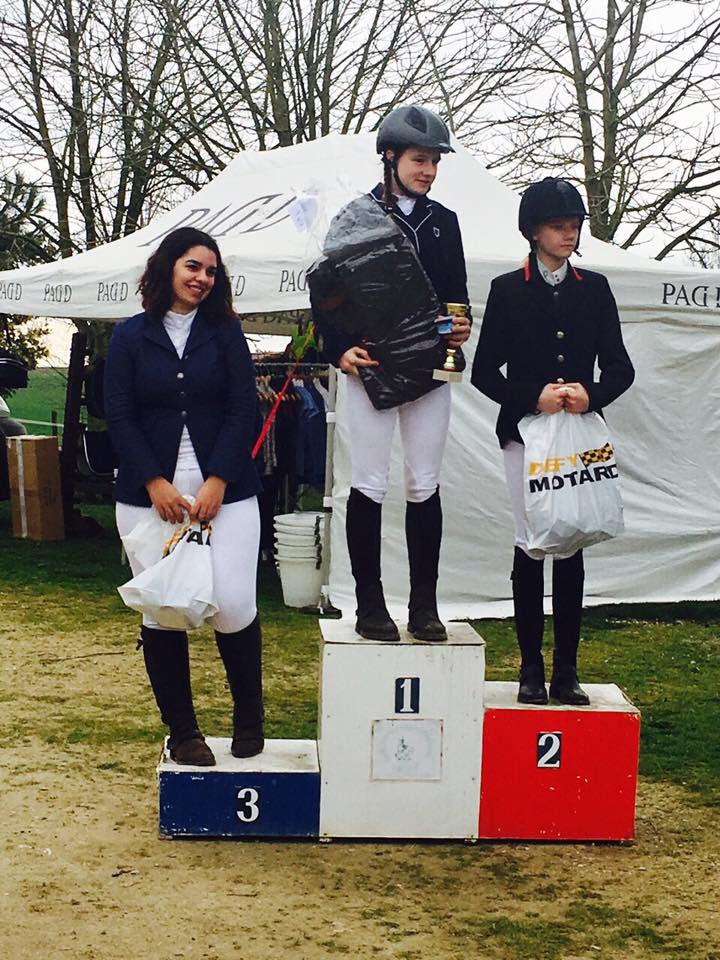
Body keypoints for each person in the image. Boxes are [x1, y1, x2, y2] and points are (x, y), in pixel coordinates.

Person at [471, 177, 634, 704]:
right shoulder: (507, 289)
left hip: (579, 432)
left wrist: (592, 394)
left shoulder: (596, 288)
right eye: (558, 226)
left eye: (574, 226)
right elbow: (483, 372)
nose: (569, 235)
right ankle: (530, 667)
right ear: (534, 232)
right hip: (525, 434)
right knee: (531, 542)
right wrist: (531, 396)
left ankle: (567, 668)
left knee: (573, 541)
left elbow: (621, 368)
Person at [105, 227, 264, 765]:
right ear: (169, 266)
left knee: (234, 605)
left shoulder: (226, 333)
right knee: (163, 607)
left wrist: (218, 479)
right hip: (148, 496)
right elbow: (119, 414)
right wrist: (155, 481)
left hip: (227, 492)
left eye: (211, 271)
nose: (202, 278)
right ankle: (183, 732)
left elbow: (244, 409)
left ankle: (249, 718)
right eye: (193, 266)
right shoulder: (129, 336)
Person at [313, 104, 471, 643]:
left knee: (424, 483)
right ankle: (369, 603)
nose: (428, 170)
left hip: (429, 366)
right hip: (372, 368)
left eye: (434, 162)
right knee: (369, 482)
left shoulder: (445, 222)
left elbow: (455, 296)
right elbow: (325, 295)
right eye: (419, 160)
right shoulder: (355, 218)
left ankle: (425, 606)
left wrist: (460, 326)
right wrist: (339, 350)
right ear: (390, 157)